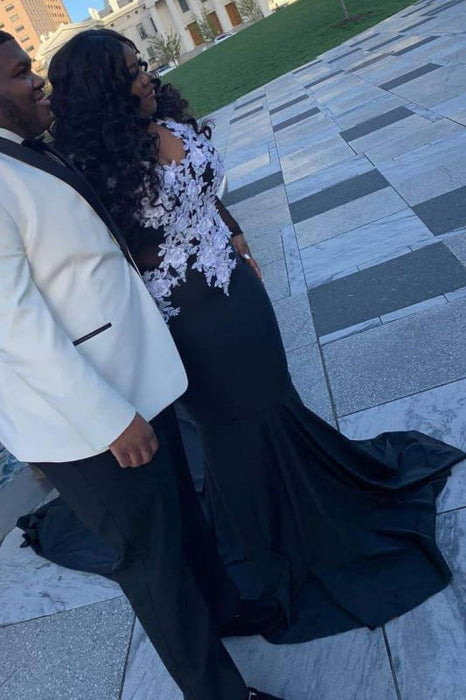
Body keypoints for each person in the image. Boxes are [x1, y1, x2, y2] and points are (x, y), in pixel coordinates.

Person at [49, 28, 466, 645]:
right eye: (132, 71)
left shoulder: (160, 113)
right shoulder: (95, 168)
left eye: (143, 63)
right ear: (103, 89)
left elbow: (202, 190)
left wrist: (233, 228)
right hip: (189, 319)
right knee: (233, 428)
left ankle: (319, 496)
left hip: (237, 290)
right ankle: (271, 542)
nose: (147, 76)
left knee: (275, 399)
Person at [0, 32, 283, 700]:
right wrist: (107, 418)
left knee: (184, 515)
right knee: (151, 559)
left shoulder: (30, 150)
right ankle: (218, 692)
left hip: (139, 377)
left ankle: (224, 608)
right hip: (90, 417)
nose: (37, 82)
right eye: (18, 74)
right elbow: (16, 328)